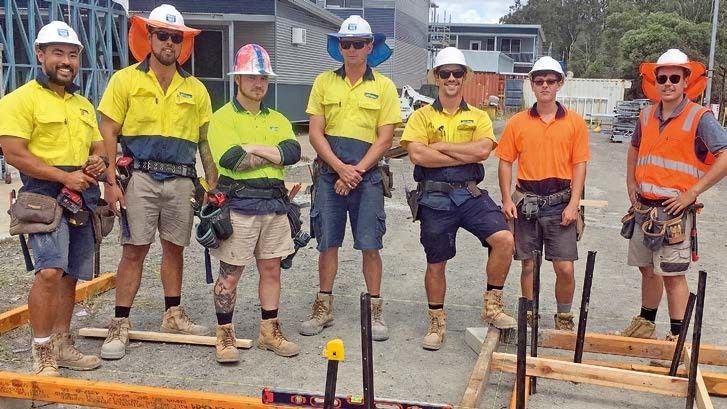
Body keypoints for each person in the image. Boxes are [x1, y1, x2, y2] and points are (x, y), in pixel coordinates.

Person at [97, 4, 216, 360]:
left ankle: (173, 314)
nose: (168, 42)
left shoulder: (195, 89)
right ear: (148, 37)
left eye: (175, 37)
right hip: (140, 178)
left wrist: (212, 184)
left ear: (183, 43)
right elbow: (108, 130)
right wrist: (109, 181)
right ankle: (120, 322)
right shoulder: (125, 80)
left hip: (181, 181)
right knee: (134, 249)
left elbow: (205, 140)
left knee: (174, 247)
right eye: (162, 35)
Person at [0, 21, 105, 375]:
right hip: (42, 195)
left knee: (71, 274)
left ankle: (62, 341)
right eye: (58, 53)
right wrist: (64, 176)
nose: (66, 61)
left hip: (81, 195)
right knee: (48, 272)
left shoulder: (83, 105)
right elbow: (14, 153)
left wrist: (97, 161)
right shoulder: (18, 100)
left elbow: (100, 149)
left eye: (72, 55)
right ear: (40, 54)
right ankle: (42, 349)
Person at [400, 47, 516, 350]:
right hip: (435, 198)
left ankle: (492, 305)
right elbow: (417, 155)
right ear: (436, 77)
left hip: (470, 193)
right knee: (436, 262)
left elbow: (482, 152)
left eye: (457, 73)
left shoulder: (478, 115)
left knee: (504, 239)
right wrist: (459, 152)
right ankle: (436, 323)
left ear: (465, 77)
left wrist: (440, 147)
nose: (451, 78)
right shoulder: (421, 115)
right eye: (445, 73)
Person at [300, 15, 400, 341]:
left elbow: (385, 139)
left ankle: (375, 311)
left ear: (370, 46)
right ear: (339, 46)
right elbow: (316, 134)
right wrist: (340, 169)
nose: (353, 49)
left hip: (367, 178)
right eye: (347, 44)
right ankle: (323, 308)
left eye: (359, 44)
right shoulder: (323, 83)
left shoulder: (384, 87)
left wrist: (355, 172)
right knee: (327, 243)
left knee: (370, 245)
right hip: (330, 176)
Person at [618, 49, 727, 340]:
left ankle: (677, 339)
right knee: (647, 269)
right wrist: (631, 182)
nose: (667, 83)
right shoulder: (645, 116)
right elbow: (634, 149)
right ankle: (646, 323)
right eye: (662, 77)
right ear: (656, 81)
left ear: (685, 81)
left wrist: (692, 193)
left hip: (674, 213)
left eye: (674, 78)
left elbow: (725, 156)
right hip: (644, 209)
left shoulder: (699, 118)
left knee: (672, 275)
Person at [206, 44, 302, 362]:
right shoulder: (221, 119)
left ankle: (268, 331)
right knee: (230, 274)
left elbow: (292, 153)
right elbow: (232, 160)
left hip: (274, 206)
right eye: (250, 76)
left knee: (272, 270)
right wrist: (269, 152)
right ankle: (225, 336)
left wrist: (252, 146)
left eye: (262, 77)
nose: (257, 83)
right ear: (238, 79)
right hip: (239, 207)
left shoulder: (278, 119)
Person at [497, 56, 590, 331]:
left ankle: (563, 317)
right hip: (527, 202)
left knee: (565, 268)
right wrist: (505, 199)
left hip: (560, 203)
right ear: (532, 85)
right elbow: (505, 161)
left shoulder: (574, 123)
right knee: (528, 265)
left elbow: (579, 165)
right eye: (539, 81)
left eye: (551, 81)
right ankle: (530, 313)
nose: (545, 86)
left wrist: (574, 203)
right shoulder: (517, 123)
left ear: (560, 84)